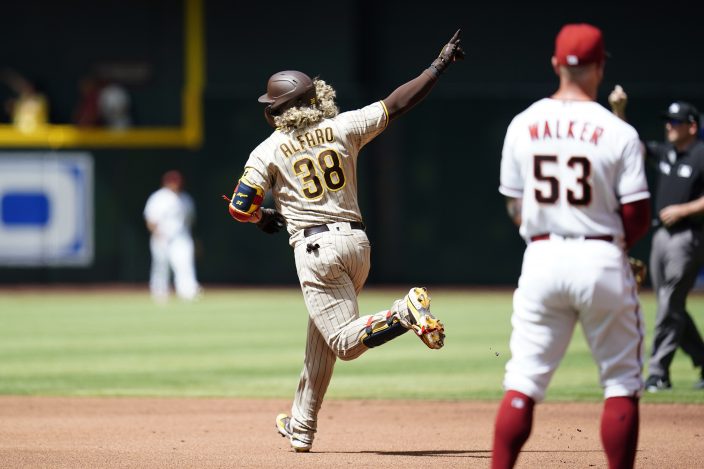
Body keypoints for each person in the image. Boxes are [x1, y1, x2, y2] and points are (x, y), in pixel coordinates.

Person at [224, 30, 464, 452]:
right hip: (357, 245)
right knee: (321, 342)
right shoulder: (343, 126)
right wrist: (436, 66)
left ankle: (403, 312)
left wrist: (261, 217)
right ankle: (301, 425)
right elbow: (398, 102)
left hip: (316, 250)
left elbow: (240, 205)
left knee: (342, 344)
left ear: (279, 110)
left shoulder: (269, 149)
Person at [493, 23, 651, 469]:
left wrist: (544, 228)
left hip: (542, 256)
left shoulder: (523, 124)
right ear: (600, 67)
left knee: (522, 381)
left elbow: (514, 206)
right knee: (621, 383)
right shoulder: (617, 131)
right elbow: (637, 216)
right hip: (600, 255)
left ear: (556, 64)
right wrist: (616, 247)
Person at [609, 89, 704, 392]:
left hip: (689, 237)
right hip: (661, 237)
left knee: (669, 303)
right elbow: (629, 146)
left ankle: (658, 373)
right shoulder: (666, 153)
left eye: (676, 122)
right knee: (670, 304)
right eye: (667, 122)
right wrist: (619, 111)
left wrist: (685, 209)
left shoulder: (701, 153)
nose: (669, 126)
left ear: (692, 126)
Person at [144, 170, 201, 302]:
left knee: (184, 264)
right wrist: (158, 234)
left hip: (181, 237)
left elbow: (190, 221)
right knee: (161, 266)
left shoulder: (185, 198)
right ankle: (159, 292)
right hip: (162, 236)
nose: (175, 185)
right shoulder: (158, 198)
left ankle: (188, 291)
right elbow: (151, 220)